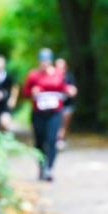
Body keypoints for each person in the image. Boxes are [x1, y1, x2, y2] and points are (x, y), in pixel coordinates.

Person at [22, 49, 76, 182]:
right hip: (38, 113)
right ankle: (41, 167)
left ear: (50, 61)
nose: (44, 64)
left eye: (46, 61)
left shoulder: (58, 74)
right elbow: (25, 92)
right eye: (42, 61)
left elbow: (64, 88)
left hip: (54, 113)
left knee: (52, 140)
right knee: (39, 141)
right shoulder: (33, 75)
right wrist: (32, 92)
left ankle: (49, 169)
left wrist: (70, 90)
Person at [55, 57, 77, 149]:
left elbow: (74, 90)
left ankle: (61, 139)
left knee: (64, 124)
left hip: (67, 105)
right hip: (55, 106)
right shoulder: (51, 77)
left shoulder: (69, 77)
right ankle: (57, 140)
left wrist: (70, 91)